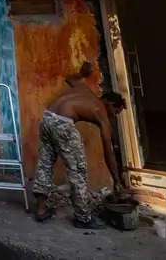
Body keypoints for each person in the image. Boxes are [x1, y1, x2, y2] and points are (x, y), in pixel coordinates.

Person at [33, 64, 128, 229]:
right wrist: (117, 180)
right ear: (111, 105)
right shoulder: (102, 113)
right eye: (116, 112)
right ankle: (83, 217)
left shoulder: (83, 89)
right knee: (77, 171)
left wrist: (82, 73)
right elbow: (108, 151)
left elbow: (70, 79)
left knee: (45, 163)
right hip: (63, 123)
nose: (114, 116)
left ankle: (41, 209)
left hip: (47, 117)